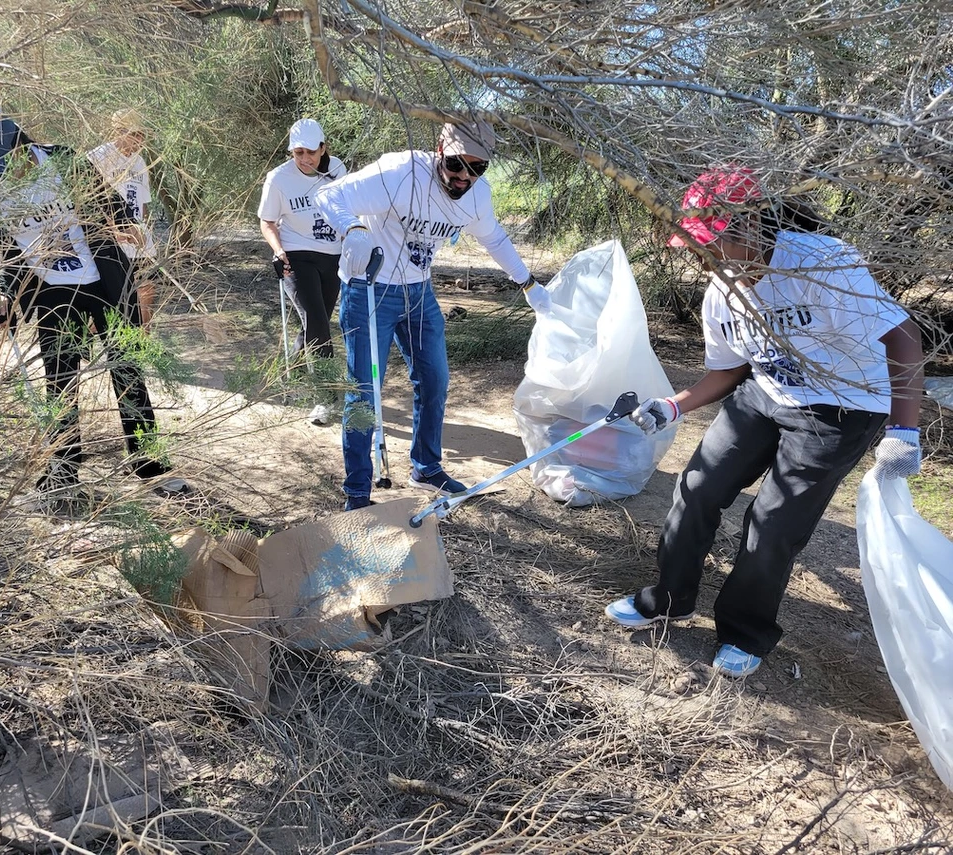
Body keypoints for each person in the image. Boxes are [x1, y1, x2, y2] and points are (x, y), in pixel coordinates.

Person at [604, 165, 924, 677]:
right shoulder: (720, 292)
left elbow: (904, 337)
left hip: (842, 405)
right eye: (697, 247)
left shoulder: (821, 263)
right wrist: (672, 406)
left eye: (714, 242)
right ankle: (669, 598)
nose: (705, 258)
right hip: (766, 393)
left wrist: (903, 432)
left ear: (751, 223)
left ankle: (746, 631)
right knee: (697, 485)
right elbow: (728, 371)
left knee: (772, 522)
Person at [314, 120, 550, 511]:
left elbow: (493, 238)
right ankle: (357, 490)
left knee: (435, 380)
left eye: (478, 168)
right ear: (440, 148)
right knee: (364, 393)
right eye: (458, 164)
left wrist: (527, 283)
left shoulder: (477, 197)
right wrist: (354, 228)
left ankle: (426, 466)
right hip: (370, 290)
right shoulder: (399, 173)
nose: (464, 177)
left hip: (419, 291)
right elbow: (329, 196)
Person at [0, 105, 188, 504]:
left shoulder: (60, 159)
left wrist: (122, 223)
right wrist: (7, 295)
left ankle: (148, 462)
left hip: (104, 278)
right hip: (51, 291)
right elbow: (10, 252)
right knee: (60, 382)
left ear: (16, 142)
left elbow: (107, 199)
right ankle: (63, 469)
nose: (3, 172)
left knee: (127, 367)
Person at [257, 118, 347, 425]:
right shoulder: (278, 179)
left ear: (323, 148)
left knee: (315, 320)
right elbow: (267, 222)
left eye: (311, 152)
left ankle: (288, 369)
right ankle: (326, 398)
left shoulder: (337, 169)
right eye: (298, 153)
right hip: (295, 256)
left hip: (333, 257)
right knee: (317, 322)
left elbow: (345, 208)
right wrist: (279, 250)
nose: (305, 159)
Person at [86, 108, 160, 327]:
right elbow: (88, 203)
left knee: (147, 290)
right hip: (109, 239)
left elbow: (143, 203)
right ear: (118, 132)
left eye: (142, 135)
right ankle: (86, 339)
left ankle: (146, 345)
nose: (139, 140)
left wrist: (145, 230)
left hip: (138, 239)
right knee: (112, 299)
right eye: (134, 134)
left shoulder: (140, 162)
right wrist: (112, 231)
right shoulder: (97, 157)